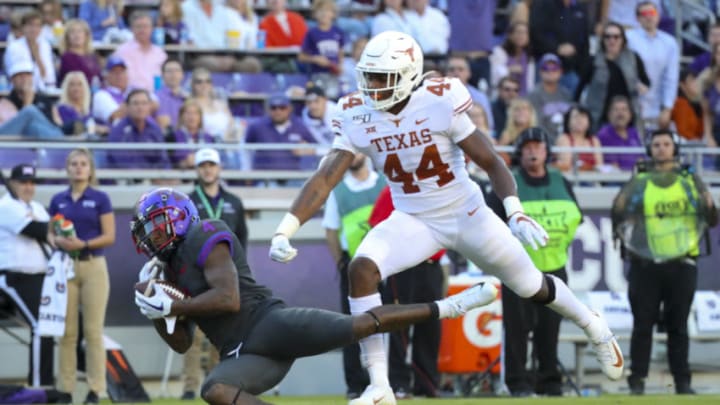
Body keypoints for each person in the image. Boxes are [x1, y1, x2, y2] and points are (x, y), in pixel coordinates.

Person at [268, 31, 624, 405]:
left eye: (380, 77)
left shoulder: (438, 100)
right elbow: (325, 177)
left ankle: (592, 323)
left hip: (466, 213)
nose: (371, 86)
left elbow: (489, 160)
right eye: (368, 76)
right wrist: (285, 229)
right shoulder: (355, 113)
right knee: (361, 269)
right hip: (413, 218)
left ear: (408, 74)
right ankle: (379, 385)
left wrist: (514, 211)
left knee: (529, 286)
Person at [131, 187, 494, 405]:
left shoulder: (205, 232)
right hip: (242, 354)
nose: (151, 238)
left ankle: (449, 306)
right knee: (215, 390)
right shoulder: (170, 270)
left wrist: (173, 304)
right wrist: (157, 312)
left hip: (268, 324)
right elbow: (181, 343)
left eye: (155, 227)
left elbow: (229, 299)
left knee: (361, 325)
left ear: (178, 218)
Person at [611, 130, 718, 395]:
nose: (661, 149)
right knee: (642, 325)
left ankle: (682, 382)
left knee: (678, 325)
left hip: (682, 262)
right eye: (656, 144)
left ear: (675, 148)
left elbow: (711, 218)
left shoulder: (690, 180)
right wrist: (622, 209)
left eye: (666, 144)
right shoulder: (640, 181)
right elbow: (620, 215)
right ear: (650, 149)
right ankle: (637, 381)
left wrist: (709, 203)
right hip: (645, 262)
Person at [486, 127, 582, 397]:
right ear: (520, 152)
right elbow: (489, 224)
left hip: (555, 268)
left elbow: (577, 218)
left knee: (549, 330)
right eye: (526, 147)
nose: (532, 151)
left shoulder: (562, 181)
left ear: (546, 151)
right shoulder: (508, 184)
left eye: (537, 146)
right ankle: (518, 383)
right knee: (517, 330)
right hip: (517, 269)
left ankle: (549, 382)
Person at [180, 148, 248, 400]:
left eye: (212, 164)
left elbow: (241, 240)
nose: (208, 169)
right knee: (193, 334)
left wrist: (240, 273)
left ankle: (216, 383)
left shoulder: (234, 202)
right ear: (197, 169)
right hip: (196, 276)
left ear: (219, 168)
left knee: (223, 333)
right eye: (203, 165)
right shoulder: (186, 202)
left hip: (227, 276)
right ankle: (189, 387)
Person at [49, 148, 115, 404]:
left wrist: (83, 244)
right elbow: (50, 233)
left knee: (93, 331)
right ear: (67, 168)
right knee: (66, 332)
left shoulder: (100, 198)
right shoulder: (58, 199)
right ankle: (65, 389)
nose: (78, 168)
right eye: (74, 164)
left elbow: (110, 236)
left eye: (83, 164)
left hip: (93, 265)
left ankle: (95, 389)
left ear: (90, 169)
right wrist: (56, 240)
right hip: (65, 267)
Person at [369, 186, 445, 399]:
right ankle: (397, 383)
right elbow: (376, 224)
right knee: (397, 325)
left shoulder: (439, 190)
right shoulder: (393, 191)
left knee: (431, 324)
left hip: (431, 265)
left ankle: (427, 384)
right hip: (403, 266)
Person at [322, 153, 385, 399]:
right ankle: (355, 385)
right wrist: (340, 262)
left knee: (386, 322)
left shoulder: (384, 184)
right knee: (351, 327)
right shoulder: (338, 192)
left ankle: (383, 380)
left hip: (383, 264)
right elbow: (331, 231)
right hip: (353, 265)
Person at [0, 164, 54, 387]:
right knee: (41, 326)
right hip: (14, 277)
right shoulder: (5, 205)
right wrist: (49, 227)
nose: (28, 187)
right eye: (23, 182)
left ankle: (46, 386)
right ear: (11, 183)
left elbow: (54, 230)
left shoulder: (38, 207)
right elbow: (39, 230)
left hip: (41, 277)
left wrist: (50, 227)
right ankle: (40, 387)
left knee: (50, 327)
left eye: (32, 182)